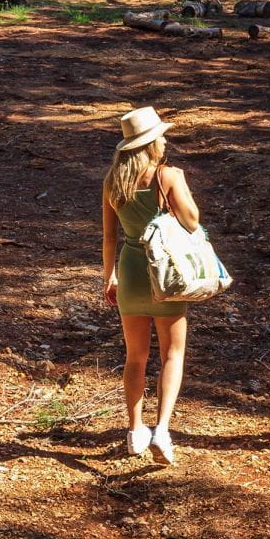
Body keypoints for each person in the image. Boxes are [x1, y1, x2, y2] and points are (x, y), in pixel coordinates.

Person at [102, 106, 201, 464]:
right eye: (160, 136)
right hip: (166, 272)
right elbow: (192, 221)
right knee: (172, 353)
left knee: (135, 356)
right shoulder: (168, 175)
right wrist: (178, 186)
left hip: (129, 269)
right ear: (151, 144)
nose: (164, 141)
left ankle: (134, 430)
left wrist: (109, 276)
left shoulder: (113, 181)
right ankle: (161, 429)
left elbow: (109, 237)